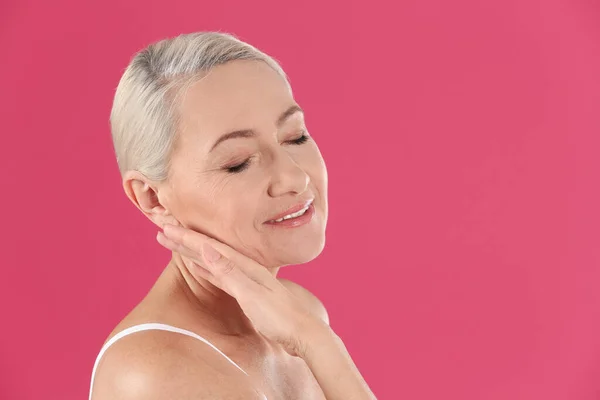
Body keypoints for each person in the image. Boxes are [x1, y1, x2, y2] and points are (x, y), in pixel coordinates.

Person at [89, 31, 377, 400]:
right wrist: (316, 343)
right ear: (152, 198)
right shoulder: (154, 373)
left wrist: (315, 341)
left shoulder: (298, 314)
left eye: (295, 137)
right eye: (238, 163)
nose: (294, 177)